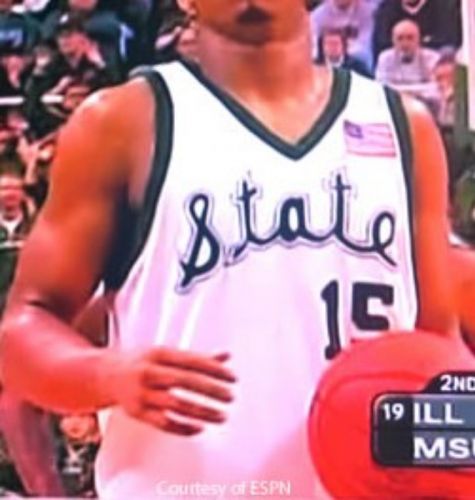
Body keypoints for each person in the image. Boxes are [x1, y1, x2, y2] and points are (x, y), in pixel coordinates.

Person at [0, 1, 457, 499]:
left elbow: (439, 350)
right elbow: (22, 332)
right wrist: (106, 374)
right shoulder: (122, 123)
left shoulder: (404, 127)